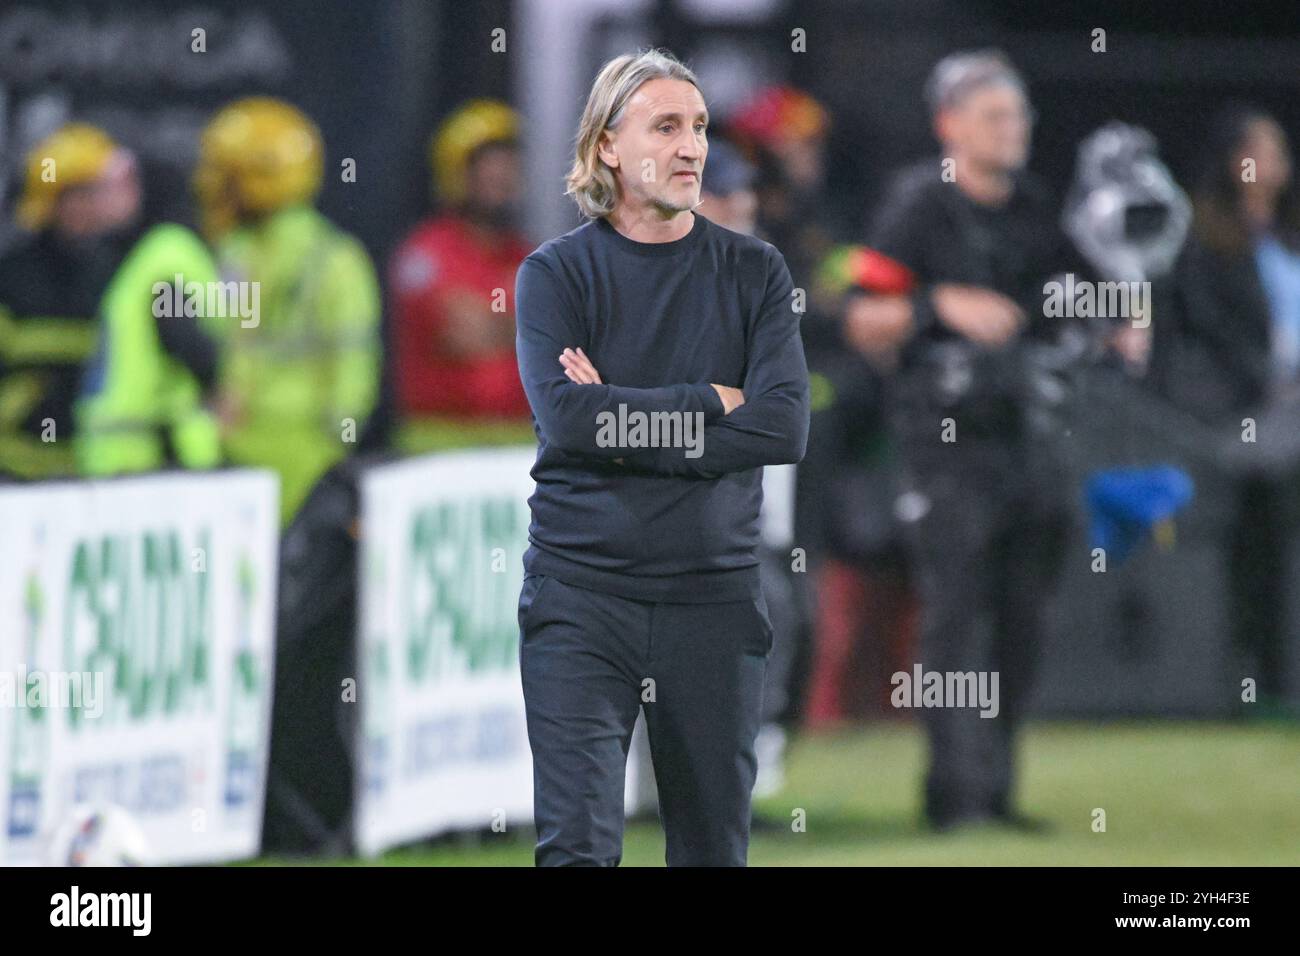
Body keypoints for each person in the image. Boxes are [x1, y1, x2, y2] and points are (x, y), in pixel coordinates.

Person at [514, 48, 810, 866]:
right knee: (576, 848)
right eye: (667, 126)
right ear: (607, 145)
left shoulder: (754, 270)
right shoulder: (554, 274)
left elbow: (785, 430)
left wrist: (626, 417)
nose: (692, 148)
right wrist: (708, 403)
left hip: (711, 600)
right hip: (580, 599)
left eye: (700, 127)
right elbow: (572, 424)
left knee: (712, 850)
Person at [848, 50, 1077, 831]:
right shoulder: (916, 207)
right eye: (995, 116)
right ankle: (951, 794)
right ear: (950, 125)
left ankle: (1000, 788)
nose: (1013, 131)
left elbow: (1070, 302)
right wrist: (939, 303)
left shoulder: (1035, 208)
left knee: (1022, 616)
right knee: (952, 616)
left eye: (1019, 116)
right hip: (945, 445)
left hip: (1026, 436)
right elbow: (860, 316)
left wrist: (1116, 322)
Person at [1149, 105, 1300, 713]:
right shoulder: (1205, 236)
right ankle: (1256, 678)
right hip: (1250, 414)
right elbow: (1204, 332)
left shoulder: (1286, 235)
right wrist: (1268, 380)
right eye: (1260, 150)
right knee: (1259, 542)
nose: (1274, 163)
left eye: (1278, 150)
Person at [194, 97, 382, 522]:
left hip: (234, 455)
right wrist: (336, 439)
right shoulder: (339, 257)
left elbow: (224, 350)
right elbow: (355, 366)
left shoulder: (230, 254)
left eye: (229, 177)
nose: (215, 187)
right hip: (309, 458)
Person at [0, 122, 221, 478]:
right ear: (67, 199)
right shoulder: (12, 279)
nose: (123, 193)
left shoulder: (124, 265)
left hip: (96, 470)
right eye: (104, 186)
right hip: (17, 470)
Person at [389, 99, 535, 455]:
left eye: (509, 164)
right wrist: (526, 326)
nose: (502, 176)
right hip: (439, 446)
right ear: (457, 173)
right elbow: (461, 334)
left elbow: (565, 339)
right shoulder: (425, 253)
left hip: (517, 444)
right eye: (489, 165)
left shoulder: (528, 255)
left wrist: (502, 325)